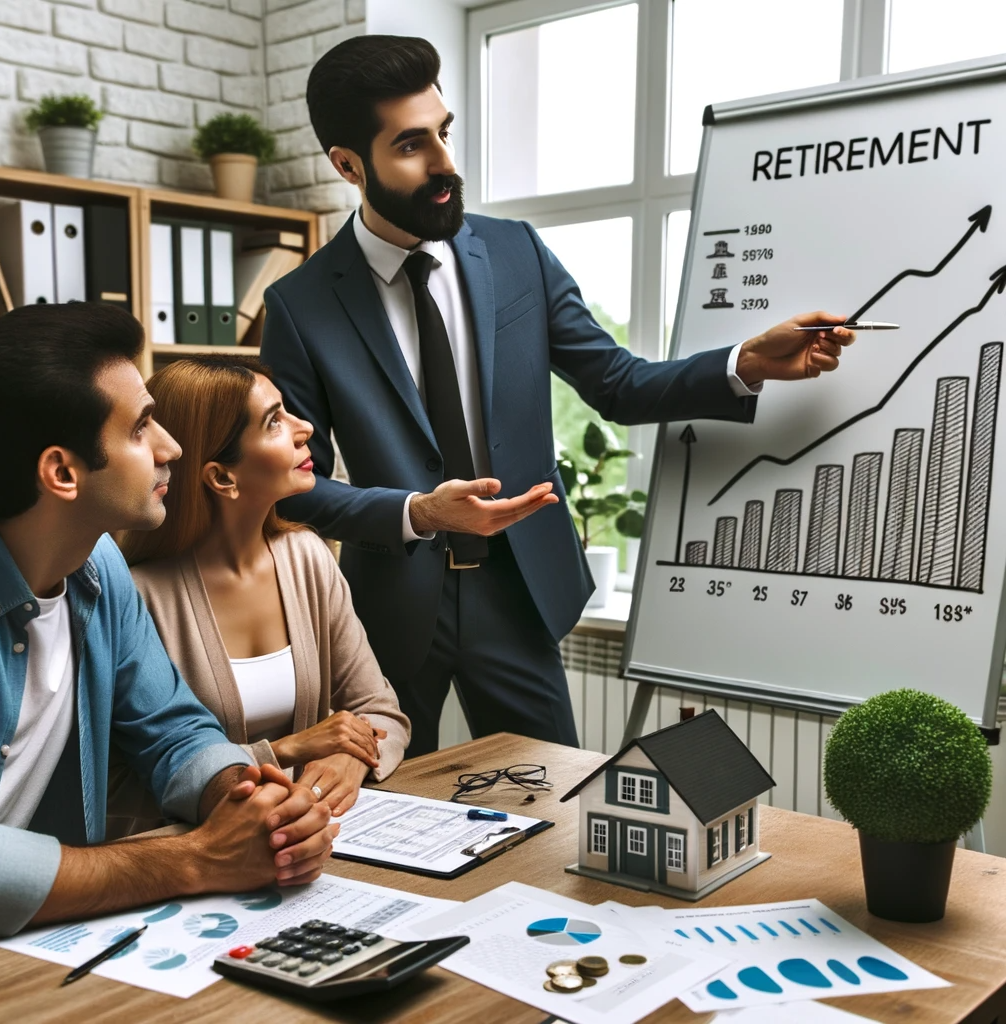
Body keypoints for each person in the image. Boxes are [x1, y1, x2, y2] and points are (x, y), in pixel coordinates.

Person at [260, 35, 856, 757]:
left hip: (517, 594)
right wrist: (416, 512)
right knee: (384, 820)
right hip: (387, 611)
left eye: (445, 134)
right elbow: (290, 487)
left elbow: (618, 383)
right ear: (349, 165)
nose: (446, 164)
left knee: (553, 813)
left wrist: (746, 363)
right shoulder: (300, 304)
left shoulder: (517, 254)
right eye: (413, 145)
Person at [0, 303, 335, 941]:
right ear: (63, 472)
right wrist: (194, 861)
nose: (171, 446)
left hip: (38, 943)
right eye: (142, 428)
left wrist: (253, 802)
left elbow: (171, 729)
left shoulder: (100, 568)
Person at [113, 356, 409, 835]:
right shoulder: (136, 597)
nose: (305, 427)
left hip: (316, 839)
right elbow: (130, 781)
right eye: (274, 421)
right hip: (199, 858)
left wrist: (348, 759)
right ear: (222, 477)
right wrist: (289, 750)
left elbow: (380, 711)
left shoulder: (308, 558)